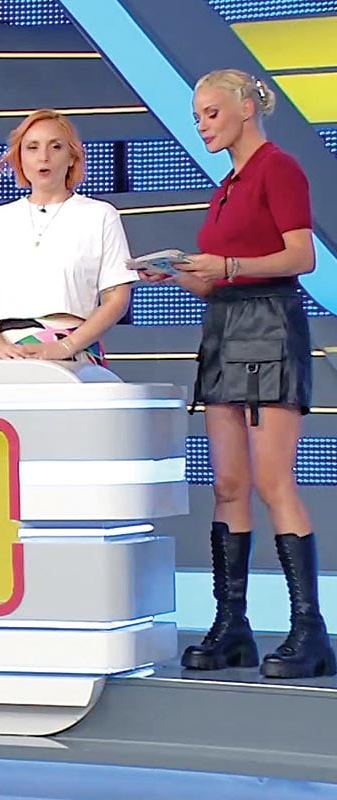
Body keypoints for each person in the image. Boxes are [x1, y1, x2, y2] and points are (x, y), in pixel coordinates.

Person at [152, 70, 334, 678]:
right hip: (224, 327)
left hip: (270, 325)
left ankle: (309, 631)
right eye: (196, 116)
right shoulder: (227, 185)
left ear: (246, 108)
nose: (201, 125)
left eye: (210, 113)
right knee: (229, 484)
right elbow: (219, 278)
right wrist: (180, 273)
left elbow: (302, 255)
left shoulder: (278, 167)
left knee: (273, 480)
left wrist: (227, 264)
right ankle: (232, 626)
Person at [0, 110, 134, 366]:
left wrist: (65, 346)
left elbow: (117, 297)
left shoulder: (100, 215)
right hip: (8, 356)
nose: (44, 157)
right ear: (20, 157)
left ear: (72, 156)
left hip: (74, 353)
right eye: (32, 147)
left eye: (55, 147)